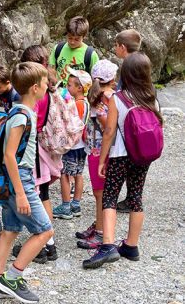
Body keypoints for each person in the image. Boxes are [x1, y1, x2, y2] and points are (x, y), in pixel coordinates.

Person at [83, 52, 162, 269]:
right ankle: (131, 245)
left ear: (126, 74)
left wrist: (102, 160)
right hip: (142, 155)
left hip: (120, 154)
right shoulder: (151, 98)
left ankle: (108, 245)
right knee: (136, 196)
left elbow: (109, 131)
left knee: (110, 195)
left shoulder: (118, 98)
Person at [0, 62, 53, 303]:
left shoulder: (17, 111)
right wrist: (22, 193)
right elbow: (9, 156)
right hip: (18, 180)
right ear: (35, 88)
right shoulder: (22, 116)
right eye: (45, 82)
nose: (48, 86)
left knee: (10, 230)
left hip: (13, 179)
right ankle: (12, 278)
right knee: (45, 230)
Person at [16, 45, 60, 263]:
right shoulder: (47, 88)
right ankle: (48, 243)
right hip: (41, 147)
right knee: (44, 195)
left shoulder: (36, 96)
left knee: (39, 195)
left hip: (33, 151)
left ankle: (44, 244)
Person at [77, 59, 118, 249]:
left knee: (100, 192)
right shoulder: (111, 97)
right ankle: (99, 224)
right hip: (107, 150)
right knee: (101, 192)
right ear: (112, 79)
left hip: (100, 151)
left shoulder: (99, 99)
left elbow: (109, 127)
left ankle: (101, 231)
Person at [53, 68, 92, 220]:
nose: (67, 87)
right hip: (82, 146)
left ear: (79, 88)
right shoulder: (86, 103)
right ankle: (76, 204)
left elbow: (72, 123)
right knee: (78, 174)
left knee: (65, 174)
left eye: (69, 85)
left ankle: (65, 206)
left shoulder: (77, 104)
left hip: (72, 146)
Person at [114, 29, 142, 213]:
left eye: (116, 45)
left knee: (124, 163)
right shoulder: (142, 62)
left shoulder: (127, 67)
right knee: (138, 165)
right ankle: (134, 199)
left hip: (127, 121)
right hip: (140, 120)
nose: (115, 49)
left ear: (123, 47)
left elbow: (121, 94)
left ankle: (117, 199)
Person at [49, 16, 99, 85]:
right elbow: (51, 68)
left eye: (76, 39)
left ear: (84, 37)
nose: (72, 42)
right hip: (59, 88)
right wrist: (53, 81)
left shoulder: (90, 55)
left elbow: (96, 78)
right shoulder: (58, 48)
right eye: (70, 38)